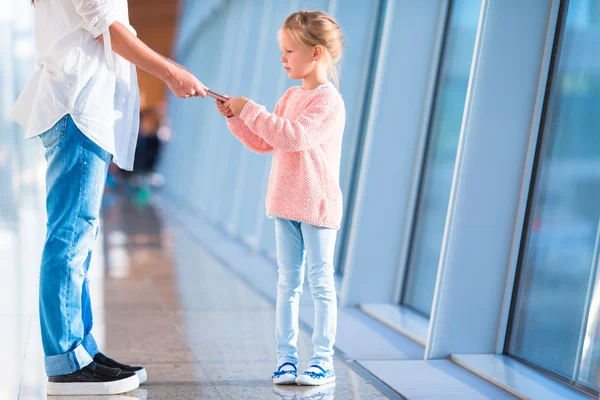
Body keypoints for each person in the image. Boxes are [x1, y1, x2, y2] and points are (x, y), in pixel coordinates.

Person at [8, 0, 207, 396]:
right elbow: (108, 27)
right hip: (78, 108)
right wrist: (170, 73)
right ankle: (65, 362)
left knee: (78, 236)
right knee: (70, 236)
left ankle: (81, 351)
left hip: (81, 108)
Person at [216, 10, 345, 387]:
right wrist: (236, 118)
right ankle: (286, 359)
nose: (283, 58)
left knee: (320, 284)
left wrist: (250, 109)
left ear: (316, 52)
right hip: (284, 204)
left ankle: (323, 360)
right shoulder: (290, 96)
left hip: (317, 206)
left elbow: (293, 137)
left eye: (289, 51)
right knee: (288, 285)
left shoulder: (328, 102)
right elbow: (265, 140)